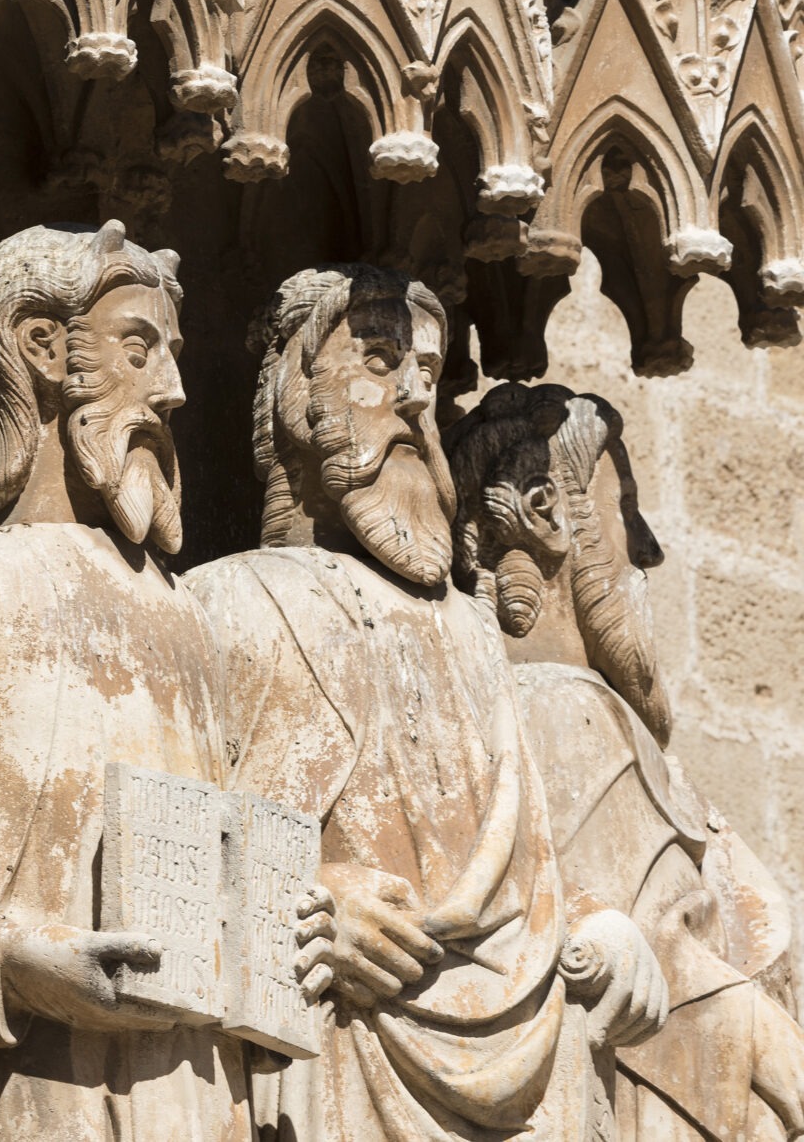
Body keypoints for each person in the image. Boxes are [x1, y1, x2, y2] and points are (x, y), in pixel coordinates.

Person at [190, 266, 667, 1142]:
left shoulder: (475, 636)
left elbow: (531, 868)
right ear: (299, 400)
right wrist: (303, 901)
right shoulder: (229, 602)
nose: (415, 397)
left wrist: (601, 928)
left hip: (531, 1074)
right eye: (377, 361)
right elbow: (162, 860)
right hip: (337, 1059)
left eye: (431, 372)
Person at [0, 221, 249, 1141]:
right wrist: (9, 967)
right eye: (138, 348)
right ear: (42, 348)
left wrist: (278, 929)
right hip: (33, 1088)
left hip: (191, 1094)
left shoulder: (189, 614)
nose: (174, 389)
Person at [453, 382, 804, 1142]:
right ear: (546, 515)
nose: (647, 547)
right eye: (627, 510)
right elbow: (667, 970)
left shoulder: (542, 709)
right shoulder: (567, 710)